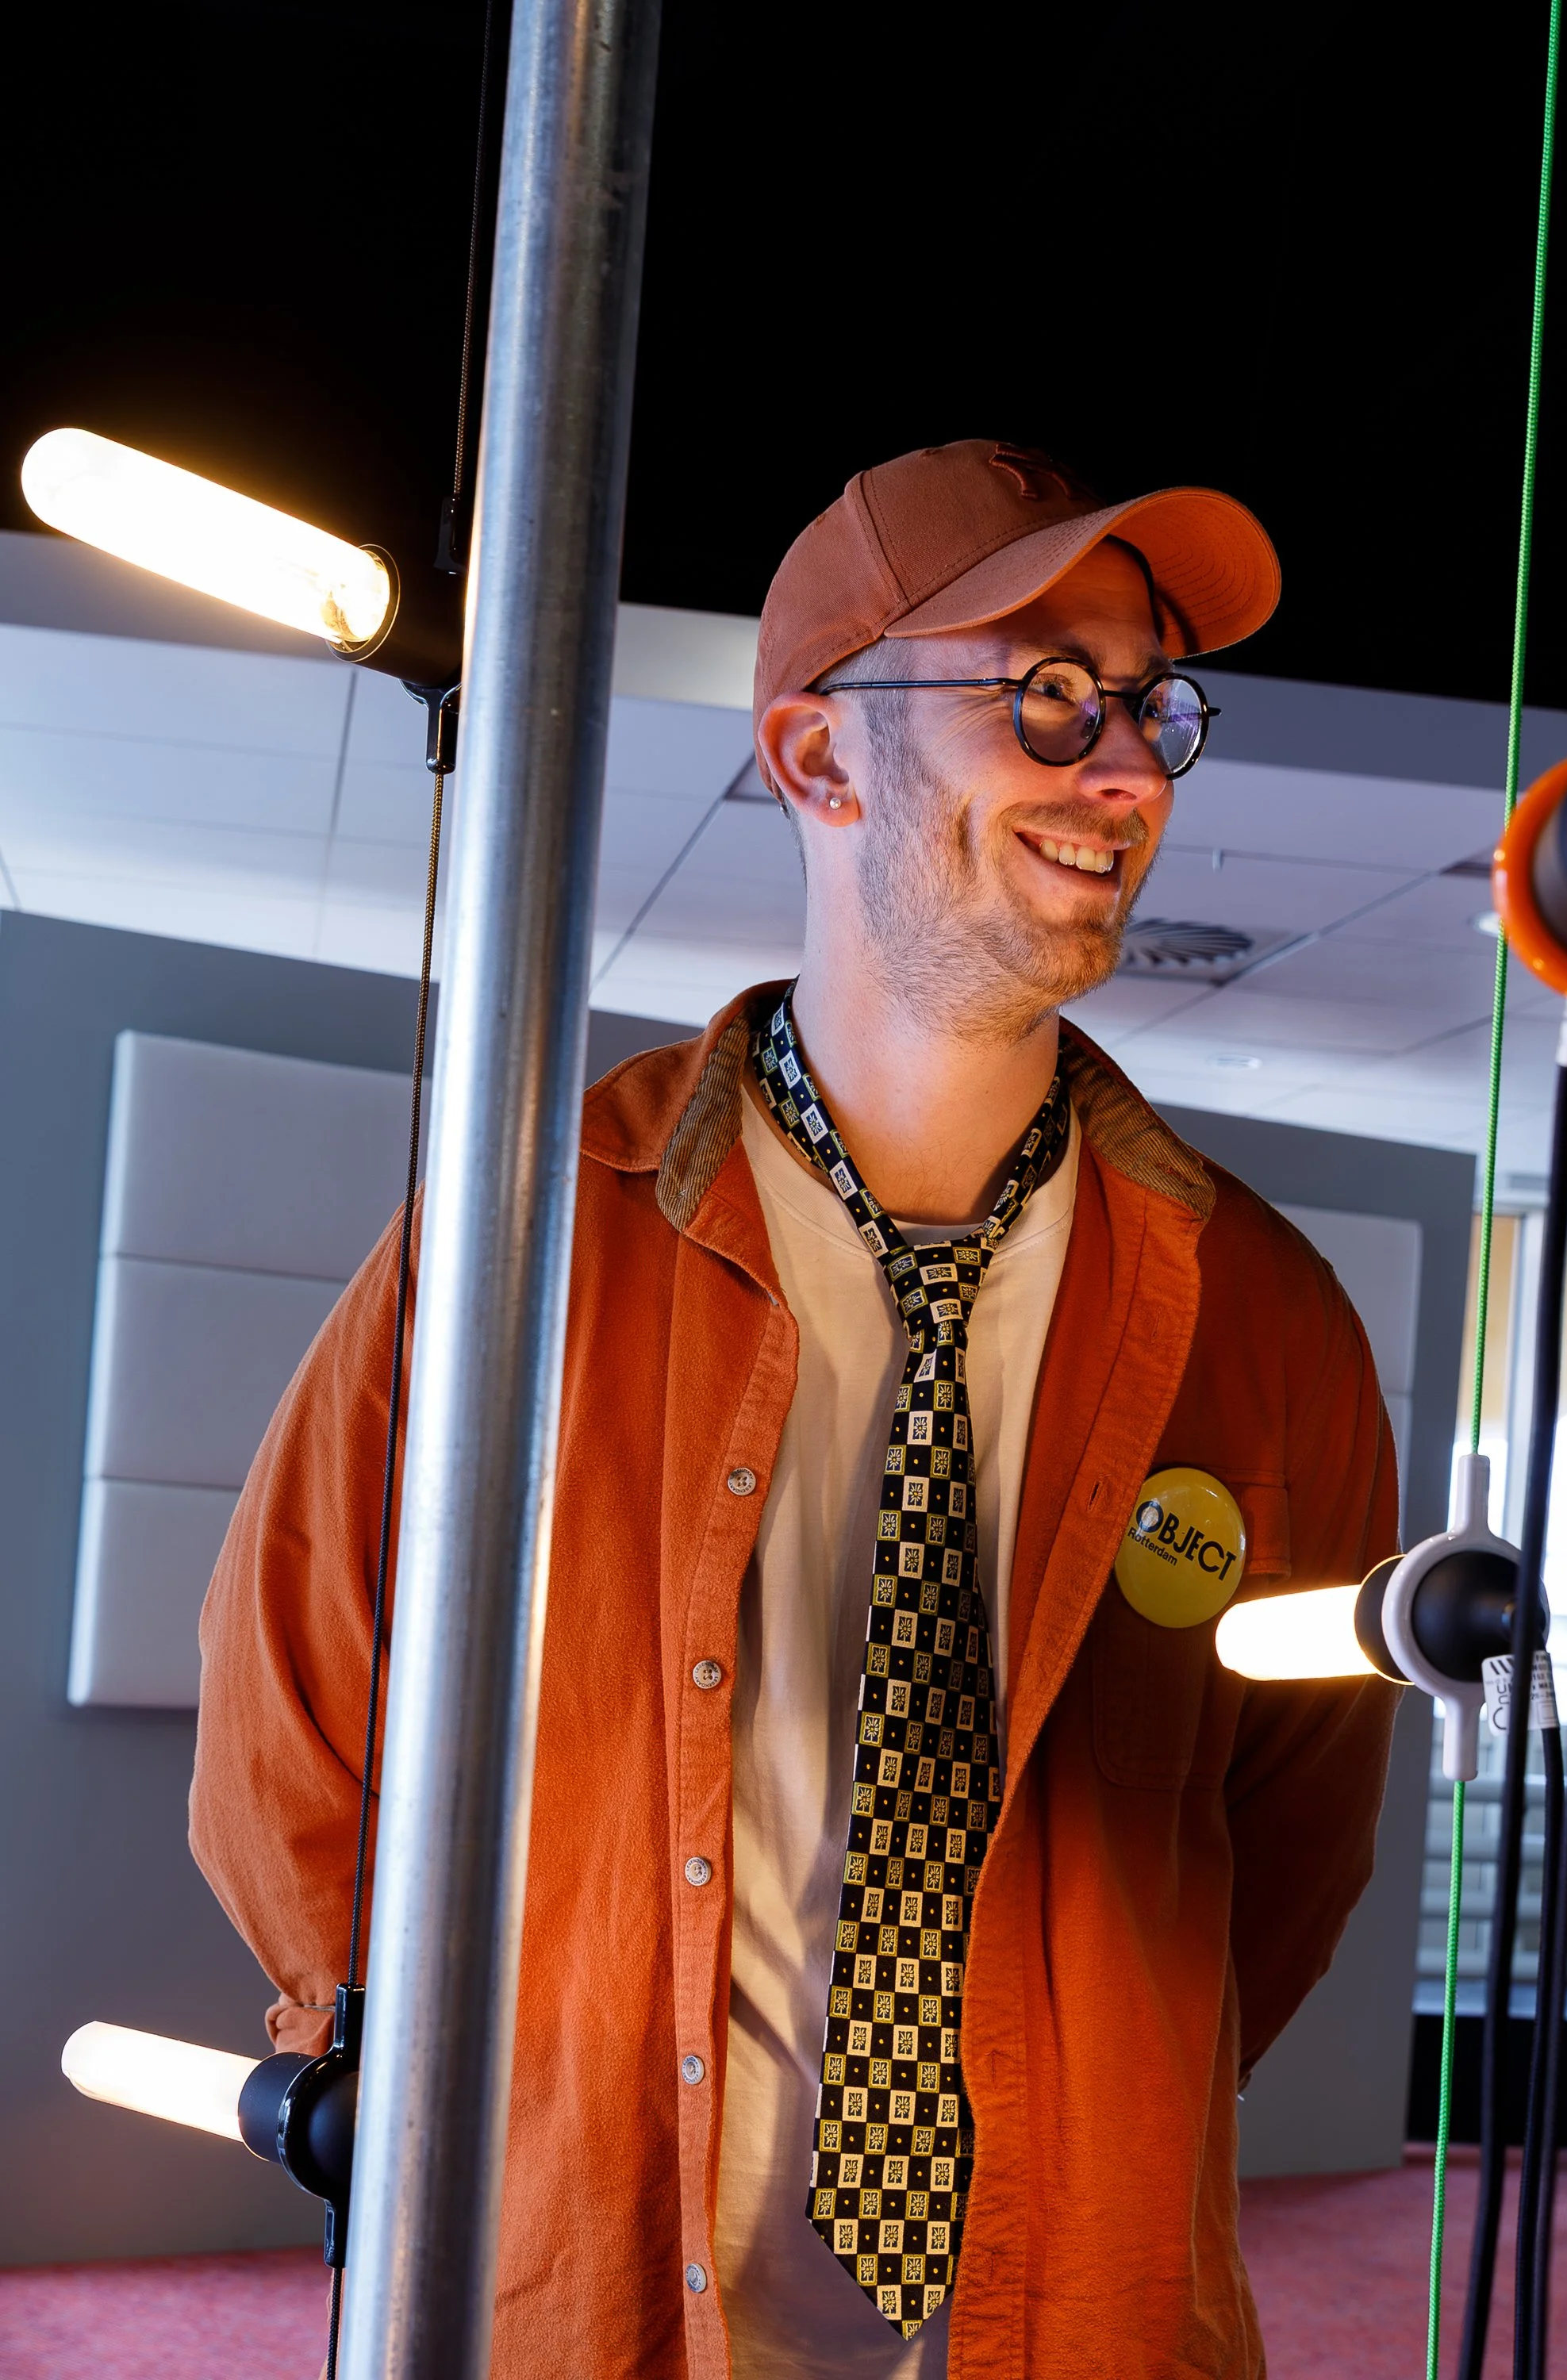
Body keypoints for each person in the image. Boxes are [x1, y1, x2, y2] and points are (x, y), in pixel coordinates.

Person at [190, 439, 1403, 2380]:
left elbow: (1282, 1851)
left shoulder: (1265, 1317)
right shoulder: (531, 1240)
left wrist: (1091, 2084)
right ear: (821, 759)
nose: (1120, 769)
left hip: (1064, 2306)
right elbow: (298, 1718)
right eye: (1044, 695)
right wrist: (427, 2096)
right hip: (596, 2289)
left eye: (1147, 707)